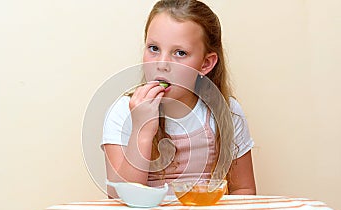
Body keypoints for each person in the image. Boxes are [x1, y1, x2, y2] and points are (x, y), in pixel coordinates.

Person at [101, 0, 256, 197]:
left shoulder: (227, 112)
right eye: (154, 48)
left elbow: (244, 189)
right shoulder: (123, 113)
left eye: (180, 53)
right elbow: (119, 200)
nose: (162, 64)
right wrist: (142, 133)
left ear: (205, 64)